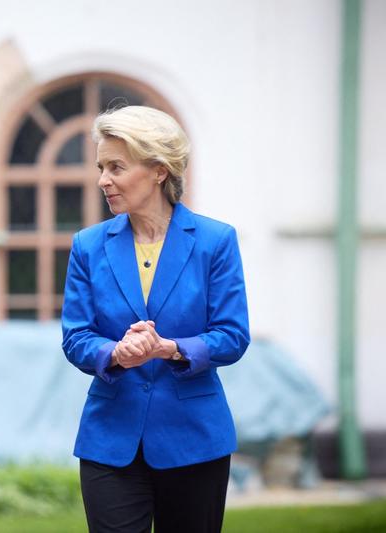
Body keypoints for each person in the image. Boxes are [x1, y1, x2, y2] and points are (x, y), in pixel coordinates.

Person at [61, 105, 250, 533]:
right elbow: (76, 336)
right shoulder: (88, 246)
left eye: (116, 167)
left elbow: (233, 334)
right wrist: (115, 353)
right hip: (110, 440)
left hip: (195, 440)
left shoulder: (215, 242)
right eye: (100, 167)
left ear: (159, 171)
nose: (102, 180)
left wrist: (173, 349)